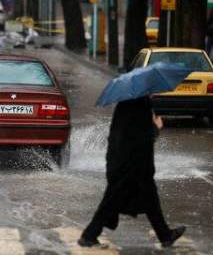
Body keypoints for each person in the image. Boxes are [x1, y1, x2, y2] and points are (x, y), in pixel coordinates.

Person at [78, 97, 186, 248]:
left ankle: (165, 235)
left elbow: (123, 135)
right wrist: (156, 127)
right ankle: (88, 236)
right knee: (113, 201)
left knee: (148, 201)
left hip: (124, 163)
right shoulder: (140, 105)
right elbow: (141, 138)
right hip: (133, 166)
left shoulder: (126, 104)